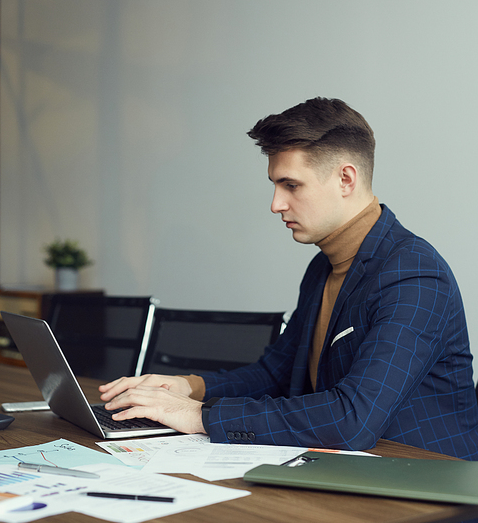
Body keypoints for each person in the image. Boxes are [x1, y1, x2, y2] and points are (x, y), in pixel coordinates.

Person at [99, 97, 478, 459]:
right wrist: (187, 387)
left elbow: (352, 420)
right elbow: (275, 373)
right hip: (343, 470)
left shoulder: (414, 276)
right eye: (275, 185)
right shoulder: (323, 266)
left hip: (425, 482)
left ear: (346, 179)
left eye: (291, 185)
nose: (276, 204)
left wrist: (198, 416)